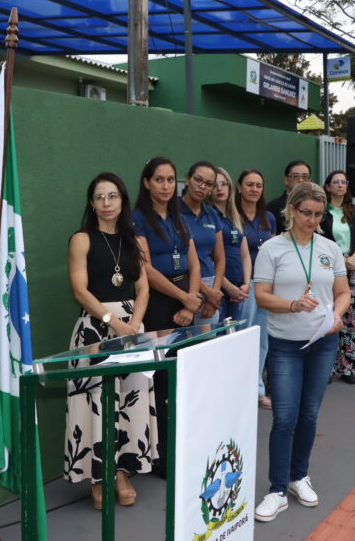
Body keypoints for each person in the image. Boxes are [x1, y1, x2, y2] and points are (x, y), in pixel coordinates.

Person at [253, 182, 350, 523]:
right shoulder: (272, 248)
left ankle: (298, 477)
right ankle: (277, 489)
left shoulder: (329, 248)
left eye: (318, 215)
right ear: (291, 210)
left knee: (309, 415)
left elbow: (343, 291)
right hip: (284, 345)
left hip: (322, 342)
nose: (312, 220)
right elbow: (262, 296)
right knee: (284, 417)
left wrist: (337, 314)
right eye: (306, 213)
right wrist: (292, 304)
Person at [63, 173, 156, 509]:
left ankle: (121, 473)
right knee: (97, 405)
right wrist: (113, 322)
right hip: (95, 329)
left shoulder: (135, 240)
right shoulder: (82, 239)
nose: (106, 203)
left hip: (131, 331)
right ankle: (97, 477)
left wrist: (133, 323)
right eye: (99, 197)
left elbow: (143, 288)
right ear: (91, 202)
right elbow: (80, 290)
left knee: (129, 403)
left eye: (112, 196)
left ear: (122, 200)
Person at [133, 157, 202, 331]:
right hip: (157, 299)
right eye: (159, 180)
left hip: (186, 297)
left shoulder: (181, 219)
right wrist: (184, 298)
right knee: (164, 354)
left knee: (186, 354)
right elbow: (146, 268)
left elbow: (194, 265)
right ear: (146, 183)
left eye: (170, 180)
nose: (166, 186)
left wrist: (190, 304)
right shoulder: (137, 218)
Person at [321, 170, 355, 384]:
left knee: (353, 319)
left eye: (343, 182)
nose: (340, 185)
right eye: (335, 182)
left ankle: (348, 367)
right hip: (328, 269)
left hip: (353, 269)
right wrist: (339, 259)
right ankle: (327, 367)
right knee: (330, 317)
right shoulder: (322, 211)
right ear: (328, 186)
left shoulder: (354, 211)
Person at [236, 169, 277, 410]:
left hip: (266, 284)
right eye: (249, 184)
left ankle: (257, 389)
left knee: (262, 339)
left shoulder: (268, 218)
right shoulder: (233, 216)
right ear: (239, 187)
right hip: (244, 285)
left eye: (258, 185)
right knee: (243, 337)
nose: (254, 189)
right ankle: (239, 390)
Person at [179, 161, 226, 325]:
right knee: (182, 346)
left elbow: (220, 259)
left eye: (208, 184)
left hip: (211, 285)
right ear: (187, 180)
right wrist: (207, 292)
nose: (202, 187)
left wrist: (214, 294)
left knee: (207, 345)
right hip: (184, 286)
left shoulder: (212, 214)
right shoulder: (174, 213)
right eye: (198, 180)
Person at [211, 166, 251, 322]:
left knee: (234, 335)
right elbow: (211, 258)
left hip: (238, 288)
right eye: (214, 185)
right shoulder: (209, 216)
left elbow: (245, 255)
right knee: (218, 337)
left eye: (224, 183)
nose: (219, 188)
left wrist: (246, 283)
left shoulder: (235, 217)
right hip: (219, 288)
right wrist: (227, 287)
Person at [266, 160, 312, 230]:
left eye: (305, 176)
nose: (300, 180)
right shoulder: (272, 208)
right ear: (286, 180)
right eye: (295, 176)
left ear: (309, 180)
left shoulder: (317, 206)